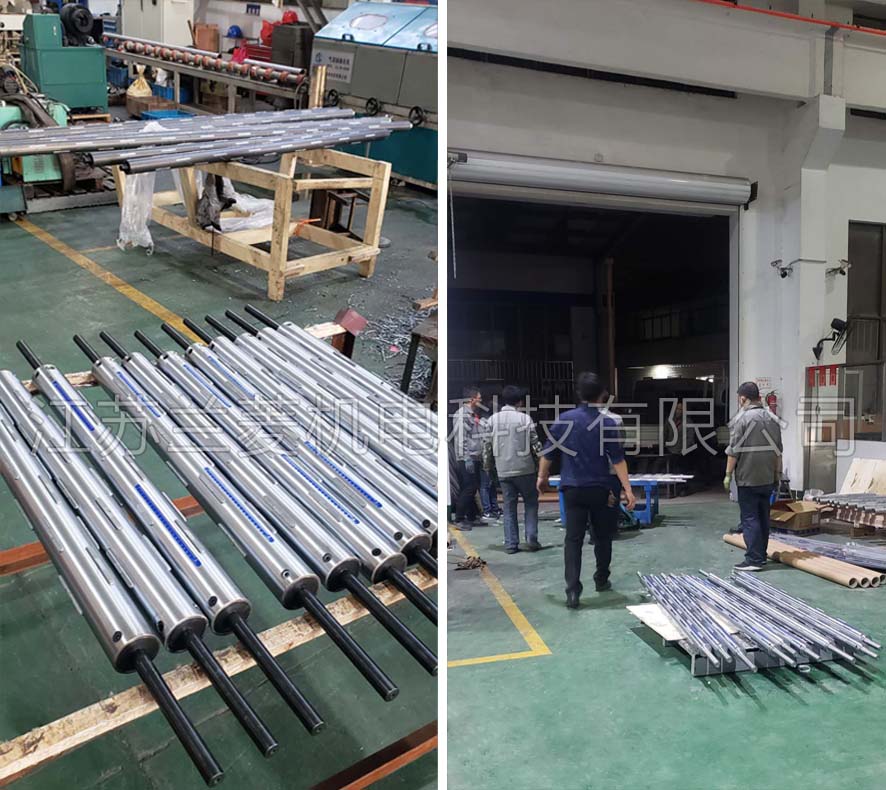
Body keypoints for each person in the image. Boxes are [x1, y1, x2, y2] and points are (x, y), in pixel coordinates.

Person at [538, 372, 636, 608]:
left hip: (572, 489)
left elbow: (548, 452)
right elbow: (618, 459)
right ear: (603, 394)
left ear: (579, 393)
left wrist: (542, 477)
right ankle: (601, 579)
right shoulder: (607, 423)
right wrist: (628, 489)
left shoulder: (564, 419)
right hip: (600, 488)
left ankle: (572, 591)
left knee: (573, 540)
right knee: (603, 536)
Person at [723, 381, 783, 571]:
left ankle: (754, 560)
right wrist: (777, 475)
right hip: (768, 477)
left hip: (748, 478)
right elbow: (778, 452)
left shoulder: (741, 420)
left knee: (750, 518)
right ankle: (761, 555)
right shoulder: (772, 418)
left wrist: (727, 475)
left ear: (743, 398)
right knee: (763, 517)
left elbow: (733, 452)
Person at [483, 385, 542, 554]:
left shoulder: (492, 420)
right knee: (531, 503)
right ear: (520, 402)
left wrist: (488, 467)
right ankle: (531, 538)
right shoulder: (525, 419)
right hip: (525, 469)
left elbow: (487, 446)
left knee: (509, 507)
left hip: (503, 470)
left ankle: (511, 544)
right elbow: (535, 445)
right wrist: (541, 466)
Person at [451, 385, 487, 530]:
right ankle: (459, 518)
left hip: (475, 457)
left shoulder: (473, 415)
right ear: (472, 399)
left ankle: (472, 517)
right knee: (469, 488)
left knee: (473, 487)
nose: (481, 401)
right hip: (467, 458)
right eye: (479, 398)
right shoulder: (462, 415)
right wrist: (465, 458)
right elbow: (461, 438)